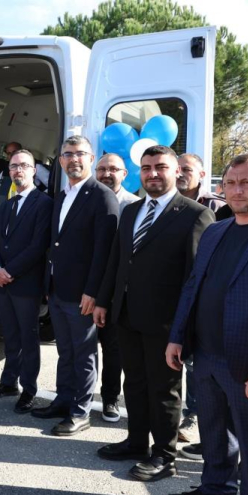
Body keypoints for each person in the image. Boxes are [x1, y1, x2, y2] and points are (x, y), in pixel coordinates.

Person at [94, 145, 214, 482]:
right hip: (126, 315)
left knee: (164, 390)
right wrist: (104, 300)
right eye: (146, 168)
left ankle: (164, 455)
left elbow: (196, 279)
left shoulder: (195, 215)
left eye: (160, 167)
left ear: (176, 171)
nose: (153, 174)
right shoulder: (132, 210)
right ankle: (136, 442)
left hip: (166, 323)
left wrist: (184, 329)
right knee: (133, 383)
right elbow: (117, 260)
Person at [165, 152, 248, 495]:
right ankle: (215, 490)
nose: (237, 190)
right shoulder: (215, 231)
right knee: (214, 435)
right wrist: (177, 336)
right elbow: (193, 286)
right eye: (230, 183)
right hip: (206, 357)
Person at [31, 135, 118, 437]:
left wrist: (93, 292)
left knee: (84, 355)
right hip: (57, 289)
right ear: (60, 160)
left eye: (80, 153)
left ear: (91, 159)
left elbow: (105, 253)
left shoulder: (102, 196)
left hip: (83, 294)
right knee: (65, 351)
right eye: (67, 154)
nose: (73, 159)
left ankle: (80, 412)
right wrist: (48, 282)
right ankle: (63, 401)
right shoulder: (61, 195)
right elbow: (55, 244)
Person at [0, 150, 52, 413]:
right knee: (10, 336)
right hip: (4, 283)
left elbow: (38, 246)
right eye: (13, 166)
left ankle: (29, 390)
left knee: (28, 338)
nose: (18, 170)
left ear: (34, 171)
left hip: (25, 284)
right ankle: (8, 383)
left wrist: (9, 271)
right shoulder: (7, 204)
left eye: (23, 165)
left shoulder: (44, 203)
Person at [176, 153, 226, 451]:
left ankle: (195, 417)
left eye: (187, 169)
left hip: (203, 298)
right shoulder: (165, 205)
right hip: (172, 296)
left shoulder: (217, 208)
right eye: (178, 168)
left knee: (197, 364)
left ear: (202, 174)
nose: (181, 173)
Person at [94, 152, 141, 422]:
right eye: (102, 169)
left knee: (114, 351)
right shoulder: (86, 200)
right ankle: (76, 395)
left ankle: (109, 398)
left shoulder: (135, 206)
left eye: (113, 169)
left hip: (116, 293)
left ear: (125, 174)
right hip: (85, 288)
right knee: (81, 349)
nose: (106, 174)